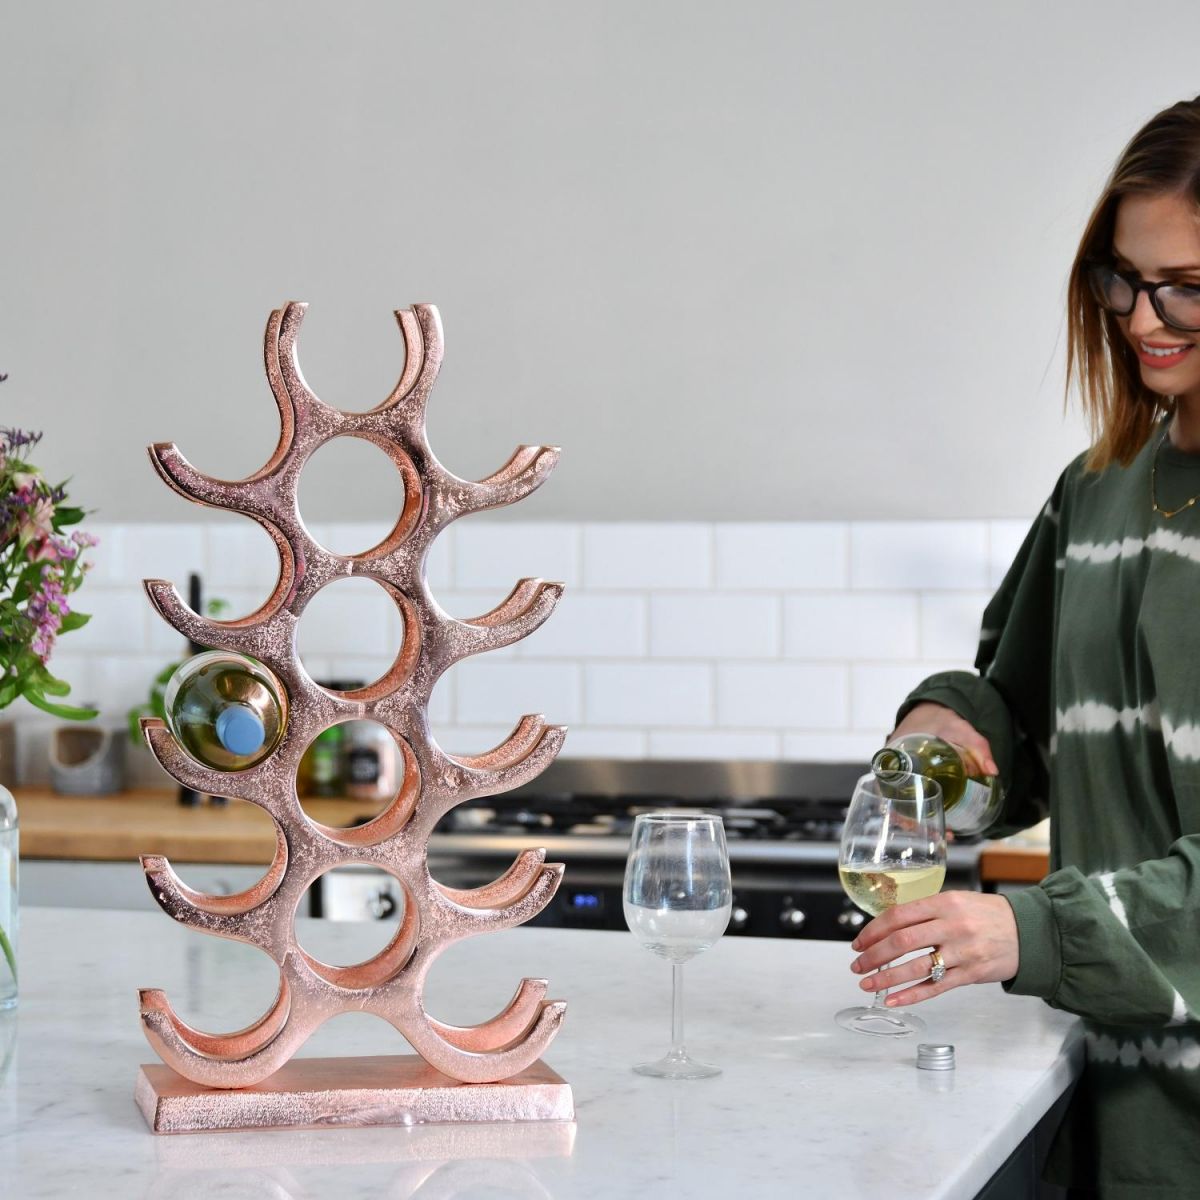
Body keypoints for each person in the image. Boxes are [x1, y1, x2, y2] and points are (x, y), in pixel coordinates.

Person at [847, 95, 1200, 1197]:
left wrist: (1028, 934)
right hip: (1105, 1106)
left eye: (1188, 284)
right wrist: (949, 733)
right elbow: (1025, 725)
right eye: (1122, 278)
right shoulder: (1097, 494)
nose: (1145, 318)